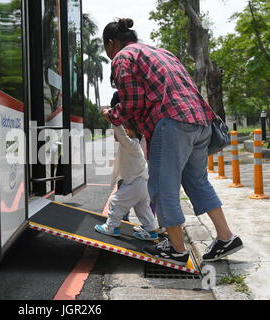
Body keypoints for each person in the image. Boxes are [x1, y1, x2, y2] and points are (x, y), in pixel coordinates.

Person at [101, 18, 243, 266]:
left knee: (162, 187)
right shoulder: (161, 52)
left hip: (172, 122)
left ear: (111, 43)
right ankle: (226, 237)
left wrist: (112, 115)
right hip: (200, 121)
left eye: (106, 48)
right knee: (197, 182)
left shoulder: (123, 57)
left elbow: (133, 103)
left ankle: (177, 249)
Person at [95, 117, 159, 241]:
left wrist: (113, 118)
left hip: (134, 184)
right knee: (142, 209)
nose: (114, 133)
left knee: (115, 201)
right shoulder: (134, 145)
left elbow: (120, 133)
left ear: (127, 131)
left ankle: (112, 227)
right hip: (142, 184)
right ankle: (151, 231)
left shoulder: (130, 144)